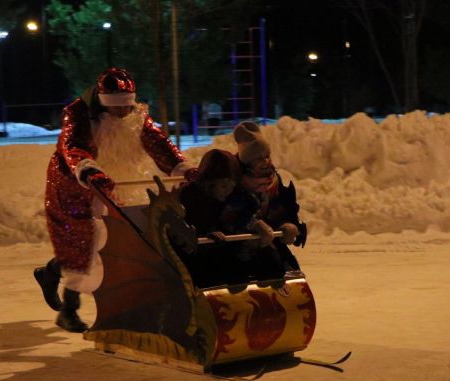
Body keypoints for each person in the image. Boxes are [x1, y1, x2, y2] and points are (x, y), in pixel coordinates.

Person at [34, 67, 196, 332]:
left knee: (126, 235)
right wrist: (87, 169)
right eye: (116, 108)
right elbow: (71, 145)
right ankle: (69, 309)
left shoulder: (136, 117)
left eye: (126, 107)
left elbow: (159, 144)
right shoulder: (78, 114)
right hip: (74, 183)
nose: (123, 113)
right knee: (85, 239)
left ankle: (54, 272)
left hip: (119, 180)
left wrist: (183, 167)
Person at [221, 121, 304, 282]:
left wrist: (286, 224)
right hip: (240, 244)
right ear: (248, 162)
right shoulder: (236, 183)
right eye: (259, 158)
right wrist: (253, 224)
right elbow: (229, 215)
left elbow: (276, 208)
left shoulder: (273, 182)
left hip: (267, 240)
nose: (266, 161)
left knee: (286, 265)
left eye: (267, 156)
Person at [178, 149, 240, 287]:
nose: (228, 190)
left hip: (216, 250)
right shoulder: (189, 196)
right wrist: (205, 234)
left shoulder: (226, 200)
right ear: (209, 183)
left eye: (232, 186)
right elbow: (183, 226)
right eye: (224, 186)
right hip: (193, 255)